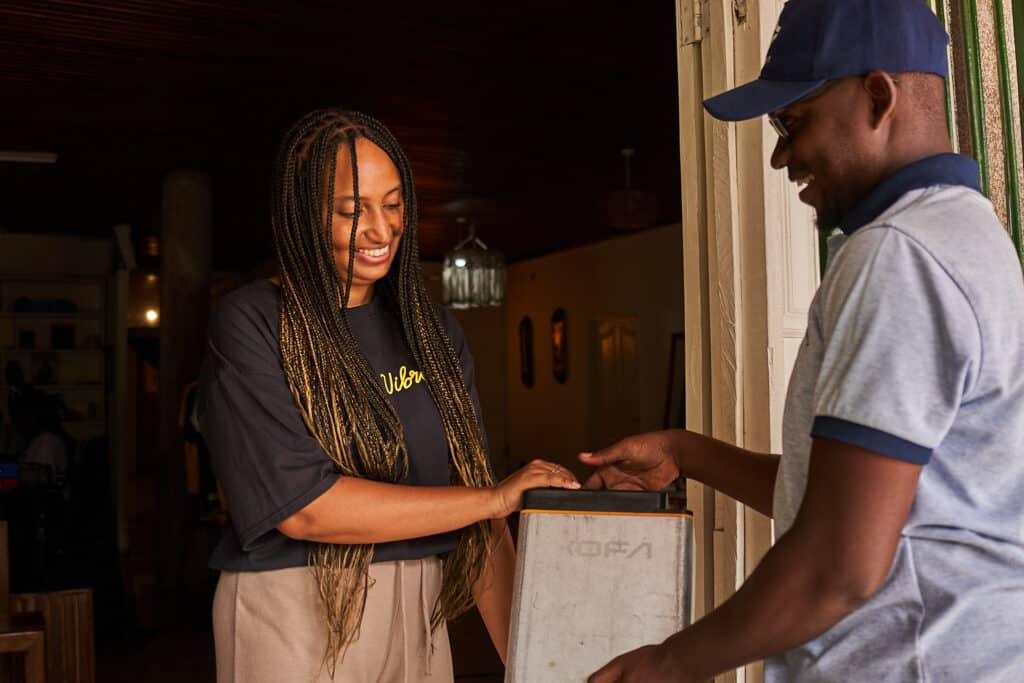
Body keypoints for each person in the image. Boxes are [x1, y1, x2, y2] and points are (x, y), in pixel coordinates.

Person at [581, 1, 1024, 681]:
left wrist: (666, 663)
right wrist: (683, 451)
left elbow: (837, 563)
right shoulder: (970, 235)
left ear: (877, 97)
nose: (781, 155)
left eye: (793, 123)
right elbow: (853, 498)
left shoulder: (899, 255)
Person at [197, 109, 580, 683]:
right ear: (302, 215)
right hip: (294, 610)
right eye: (352, 211)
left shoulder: (432, 331)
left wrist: (533, 666)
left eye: (394, 204)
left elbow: (477, 509)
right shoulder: (253, 322)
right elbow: (306, 510)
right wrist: (494, 500)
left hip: (420, 610)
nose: (380, 230)